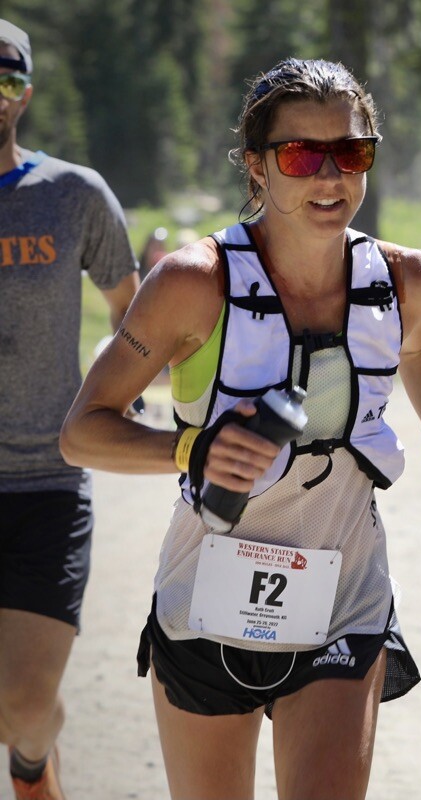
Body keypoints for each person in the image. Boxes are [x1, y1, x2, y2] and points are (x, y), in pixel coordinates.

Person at [59, 58, 421, 799]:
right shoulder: (193, 283)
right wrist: (193, 449)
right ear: (257, 167)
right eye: (302, 155)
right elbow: (83, 432)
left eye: (351, 152)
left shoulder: (409, 280)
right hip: (204, 605)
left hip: (344, 602)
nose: (330, 177)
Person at [0, 19, 140, 800]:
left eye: (8, 78)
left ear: (26, 93)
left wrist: (123, 392)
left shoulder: (72, 195)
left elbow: (131, 311)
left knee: (24, 707)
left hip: (46, 481)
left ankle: (32, 761)